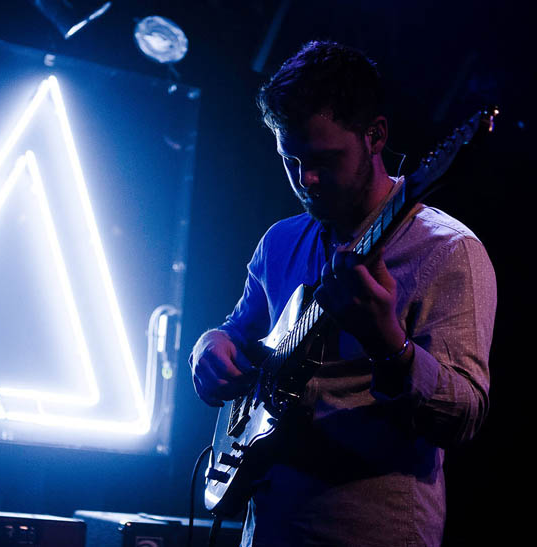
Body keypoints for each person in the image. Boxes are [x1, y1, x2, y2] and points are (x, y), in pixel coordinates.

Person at [189, 40, 496, 547]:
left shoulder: (449, 252)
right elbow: (237, 333)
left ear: (375, 136)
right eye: (291, 160)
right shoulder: (281, 241)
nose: (306, 180)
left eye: (323, 160)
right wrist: (210, 346)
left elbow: (465, 415)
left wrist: (387, 343)